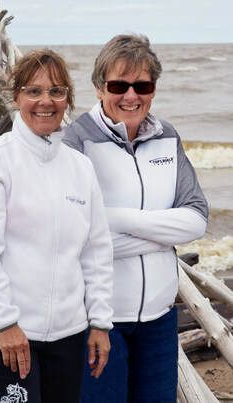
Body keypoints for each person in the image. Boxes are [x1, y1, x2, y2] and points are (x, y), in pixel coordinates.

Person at [0, 49, 114, 403]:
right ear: (16, 97)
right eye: (34, 91)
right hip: (3, 334)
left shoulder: (80, 167)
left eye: (57, 91)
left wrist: (100, 321)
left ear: (68, 100)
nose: (46, 101)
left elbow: (96, 250)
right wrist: (4, 322)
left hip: (68, 335)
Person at [63, 34, 208, 402]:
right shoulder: (76, 142)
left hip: (160, 318)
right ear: (99, 88)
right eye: (119, 85)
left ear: (154, 89)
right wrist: (162, 234)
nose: (131, 95)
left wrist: (113, 218)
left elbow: (196, 219)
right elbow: (74, 236)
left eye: (142, 85)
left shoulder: (167, 137)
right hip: (98, 321)